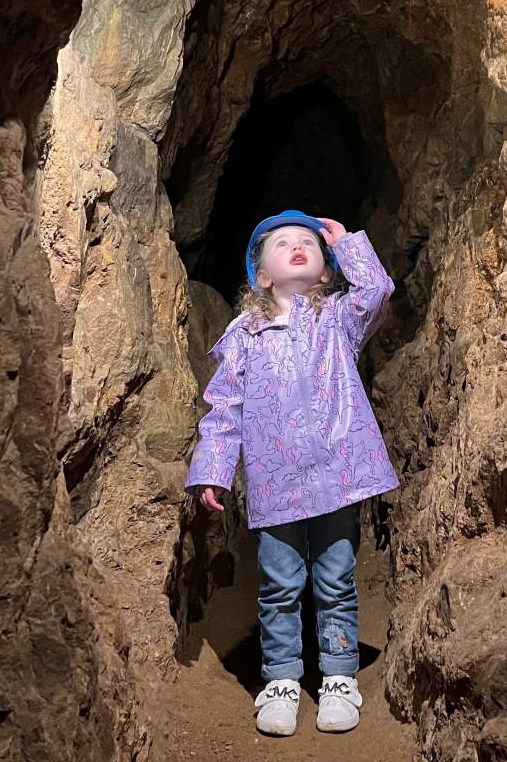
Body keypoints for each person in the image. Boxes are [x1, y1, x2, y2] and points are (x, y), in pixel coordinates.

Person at [185, 209, 399, 736]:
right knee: (280, 586)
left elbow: (377, 290)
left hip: (339, 475)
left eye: (308, 242)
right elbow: (224, 407)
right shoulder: (243, 337)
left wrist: (346, 244)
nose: (297, 246)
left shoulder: (339, 319)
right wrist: (213, 469)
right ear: (262, 274)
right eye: (282, 244)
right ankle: (280, 679)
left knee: (335, 582)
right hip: (275, 482)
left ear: (325, 271)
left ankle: (338, 676)